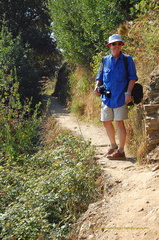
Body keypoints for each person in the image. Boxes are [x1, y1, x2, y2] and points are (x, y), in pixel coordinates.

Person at [94, 34, 138, 159]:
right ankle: (112, 146)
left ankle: (121, 150)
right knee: (106, 121)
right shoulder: (105, 60)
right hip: (107, 98)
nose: (116, 46)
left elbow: (132, 78)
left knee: (119, 122)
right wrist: (97, 87)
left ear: (121, 45)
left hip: (121, 96)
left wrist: (128, 93)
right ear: (109, 46)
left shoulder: (127, 59)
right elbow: (100, 77)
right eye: (114, 44)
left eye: (119, 44)